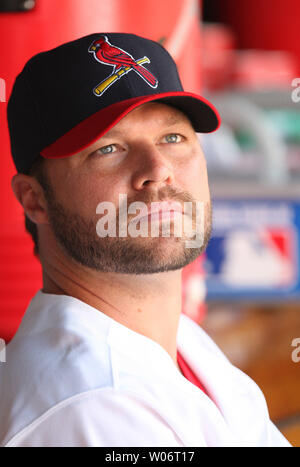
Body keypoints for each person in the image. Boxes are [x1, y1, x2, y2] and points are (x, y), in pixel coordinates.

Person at [0, 32, 290, 447]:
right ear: (35, 200)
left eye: (173, 138)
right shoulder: (92, 406)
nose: (158, 169)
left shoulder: (180, 342)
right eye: (109, 149)